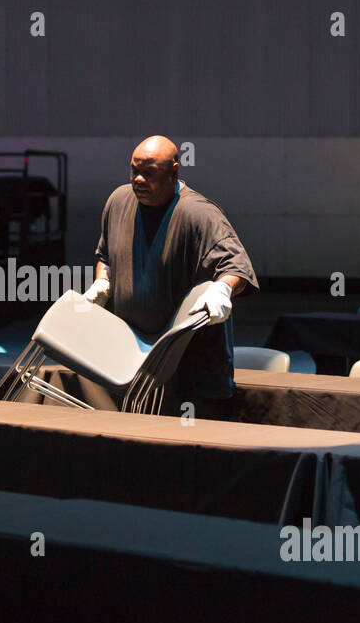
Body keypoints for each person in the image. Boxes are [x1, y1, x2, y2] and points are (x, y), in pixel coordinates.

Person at [85, 135, 257, 419]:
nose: (138, 180)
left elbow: (237, 267)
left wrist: (222, 290)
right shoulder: (118, 201)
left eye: (149, 173)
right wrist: (103, 281)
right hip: (133, 362)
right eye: (134, 170)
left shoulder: (198, 213)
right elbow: (105, 255)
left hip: (191, 373)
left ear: (174, 171)